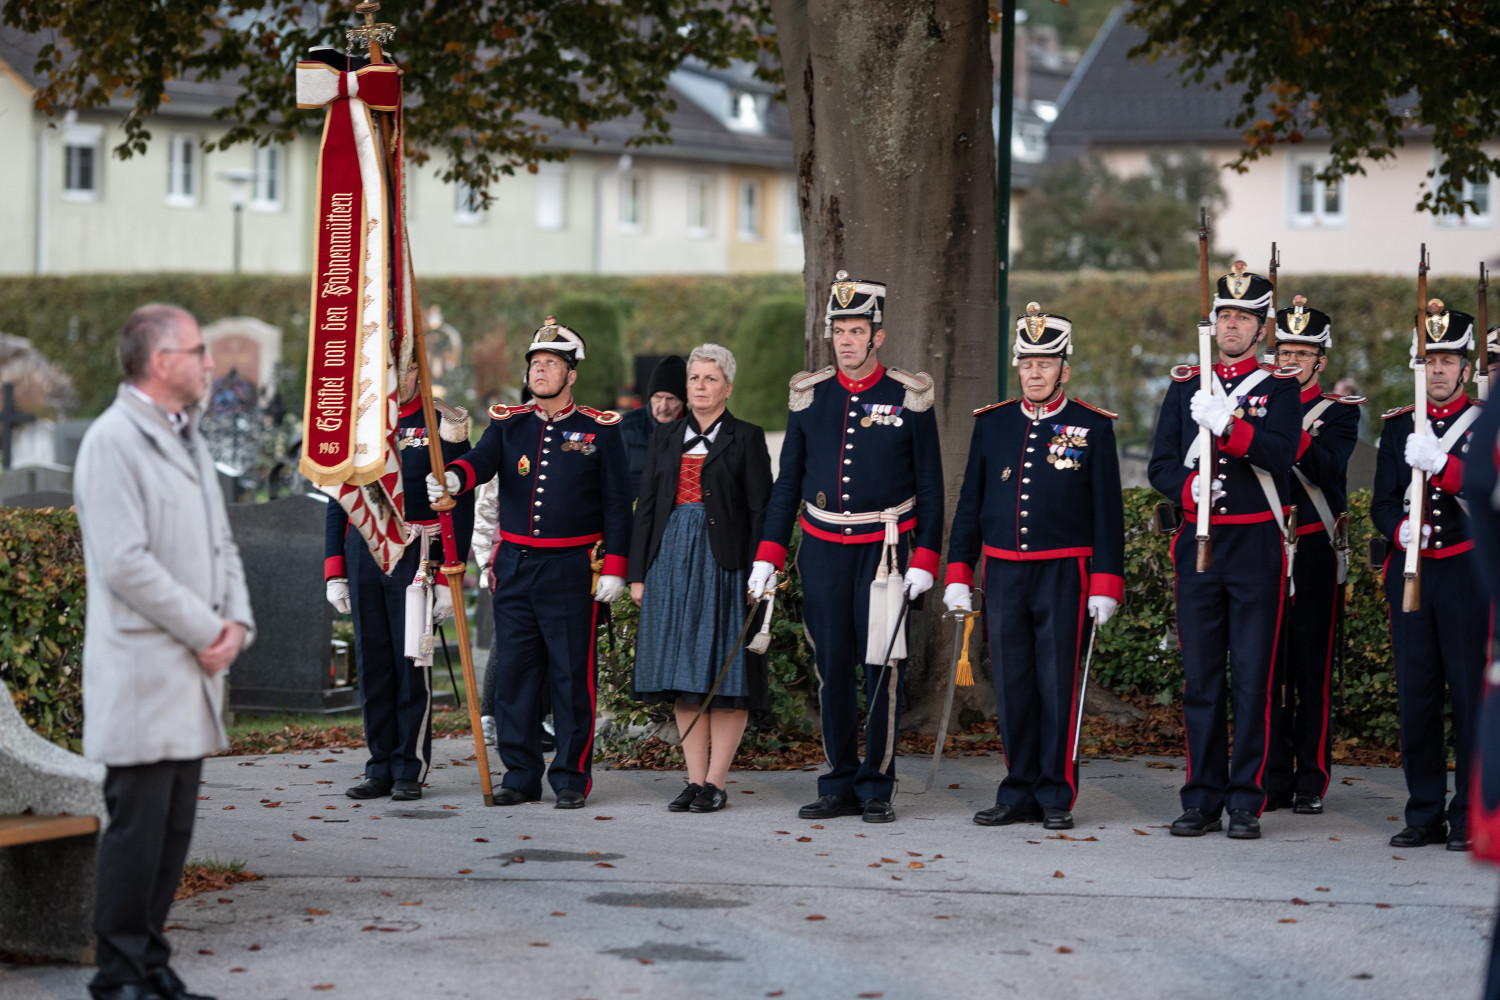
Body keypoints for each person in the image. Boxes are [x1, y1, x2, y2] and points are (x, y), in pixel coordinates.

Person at [76, 303, 255, 1000]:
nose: (211, 363)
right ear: (160, 362)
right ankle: (117, 974)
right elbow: (125, 562)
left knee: (173, 830)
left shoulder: (187, 436)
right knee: (137, 831)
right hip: (144, 671)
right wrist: (206, 630)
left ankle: (150, 962)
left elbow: (221, 543)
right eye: (198, 350)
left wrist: (236, 621)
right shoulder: (112, 441)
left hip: (189, 672)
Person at [748, 271, 943, 824]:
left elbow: (931, 485)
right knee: (831, 666)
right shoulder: (810, 396)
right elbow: (788, 482)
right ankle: (837, 781)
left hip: (886, 553)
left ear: (877, 336)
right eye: (839, 331)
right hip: (823, 550)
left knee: (882, 666)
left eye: (857, 331)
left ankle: (877, 784)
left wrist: (927, 557)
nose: (846, 341)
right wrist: (769, 553)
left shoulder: (907, 394)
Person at [431, 317, 631, 808]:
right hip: (516, 566)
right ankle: (520, 776)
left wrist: (616, 566)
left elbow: (616, 505)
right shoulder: (509, 423)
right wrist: (455, 478)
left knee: (570, 677)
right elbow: (481, 459)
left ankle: (570, 778)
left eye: (551, 364)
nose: (540, 370)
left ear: (571, 375)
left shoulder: (600, 430)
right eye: (535, 363)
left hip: (571, 570)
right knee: (515, 679)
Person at [943, 303, 1124, 831]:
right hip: (1003, 574)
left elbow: (1107, 513)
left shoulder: (1092, 426)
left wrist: (1106, 583)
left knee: (1057, 684)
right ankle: (1018, 789)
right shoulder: (993, 423)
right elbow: (971, 505)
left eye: (1045, 363)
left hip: (1065, 575)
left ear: (1064, 368)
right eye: (1027, 364)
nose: (1035, 373)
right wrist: (959, 571)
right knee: (1013, 684)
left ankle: (1056, 793)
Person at [1147, 261, 1301, 840]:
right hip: (1199, 542)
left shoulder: (1280, 386)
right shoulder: (1186, 383)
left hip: (1256, 543)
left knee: (1254, 680)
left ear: (1261, 329)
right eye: (1225, 316)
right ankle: (1201, 797)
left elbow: (1281, 454)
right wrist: (1189, 488)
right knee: (1202, 680)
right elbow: (1161, 463)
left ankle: (1245, 800)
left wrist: (1230, 427)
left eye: (1243, 318)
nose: (1232, 326)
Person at [628, 344, 774, 812]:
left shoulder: (746, 437)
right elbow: (648, 507)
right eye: (694, 378)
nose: (700, 386)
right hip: (670, 562)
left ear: (728, 387)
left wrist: (760, 571)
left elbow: (761, 510)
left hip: (725, 564)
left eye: (711, 379)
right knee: (684, 674)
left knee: (725, 678)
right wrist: (638, 573)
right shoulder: (665, 436)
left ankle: (716, 782)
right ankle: (693, 781)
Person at [326, 367, 474, 802]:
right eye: (391, 366)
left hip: (417, 554)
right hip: (364, 551)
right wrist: (335, 570)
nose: (398, 377)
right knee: (372, 664)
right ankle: (379, 765)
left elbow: (459, 504)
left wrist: (449, 574)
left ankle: (409, 765)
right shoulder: (361, 420)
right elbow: (340, 498)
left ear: (418, 371)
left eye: (406, 368)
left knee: (411, 664)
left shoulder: (441, 422)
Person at [1372, 301, 1487, 851]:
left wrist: (1445, 467)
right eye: (1429, 360)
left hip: (1466, 572)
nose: (1438, 370)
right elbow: (1381, 502)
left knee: (1468, 698)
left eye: (1447, 360)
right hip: (1412, 572)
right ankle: (1423, 811)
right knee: (1417, 698)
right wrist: (1399, 530)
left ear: (1465, 367)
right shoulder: (1399, 425)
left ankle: (1468, 813)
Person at [1262, 296, 1362, 815]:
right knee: (1269, 669)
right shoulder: (1256, 403)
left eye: (1302, 353)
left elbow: (1326, 470)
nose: (1292, 361)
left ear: (1320, 361)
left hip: (1316, 549)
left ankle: (1311, 779)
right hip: (1264, 546)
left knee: (1312, 671)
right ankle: (1273, 775)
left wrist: (1285, 426)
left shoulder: (1340, 413)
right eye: (1285, 352)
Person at [620, 355, 687, 497]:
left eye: (671, 399)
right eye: (658, 398)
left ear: (683, 401)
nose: (663, 407)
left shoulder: (696, 429)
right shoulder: (625, 427)